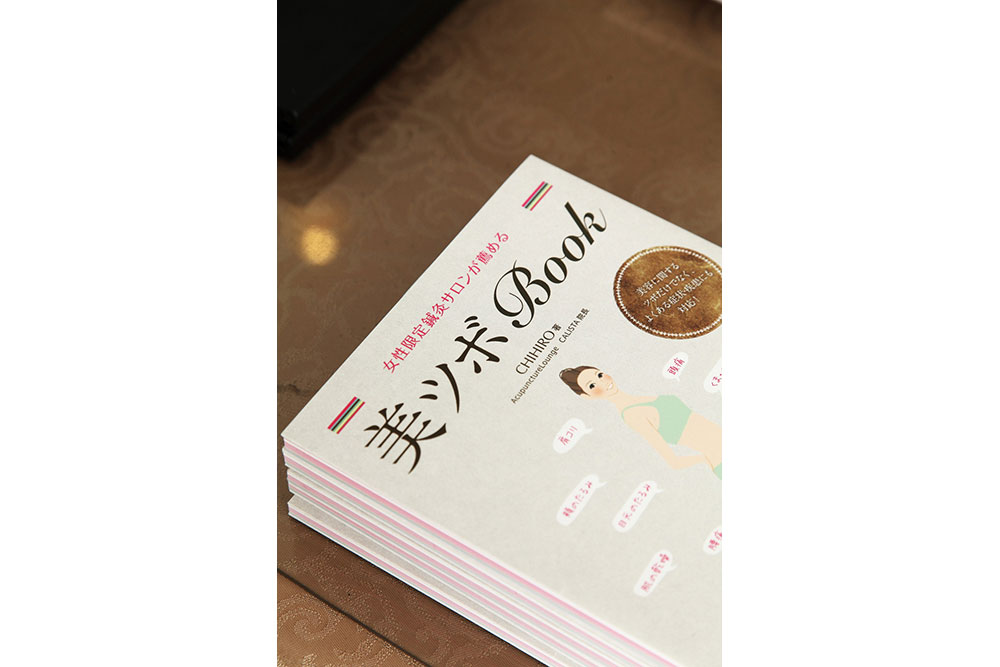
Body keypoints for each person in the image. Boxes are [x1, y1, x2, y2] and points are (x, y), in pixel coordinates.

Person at [558, 365, 721, 479]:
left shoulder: (640, 398)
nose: (603, 382)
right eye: (592, 385)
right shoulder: (632, 415)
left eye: (599, 375)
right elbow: (674, 462)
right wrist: (705, 458)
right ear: (587, 397)